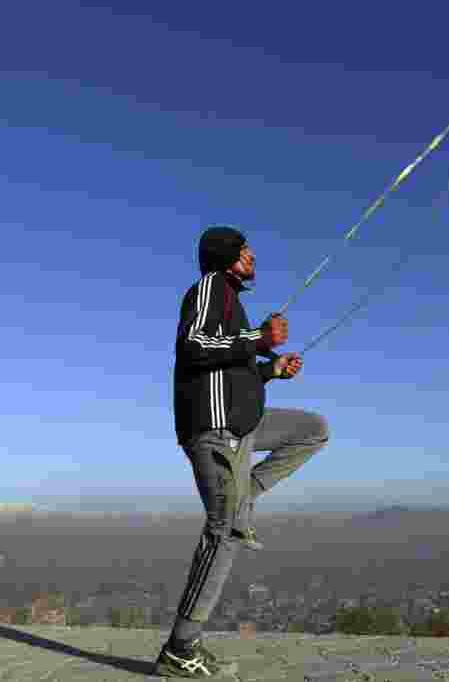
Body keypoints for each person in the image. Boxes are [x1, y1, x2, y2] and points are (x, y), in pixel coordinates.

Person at [153, 225, 330, 677]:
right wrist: (258, 339)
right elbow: (193, 346)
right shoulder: (211, 287)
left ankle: (243, 495)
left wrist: (270, 369)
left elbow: (229, 372)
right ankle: (180, 649)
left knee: (312, 429)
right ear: (225, 256)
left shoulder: (233, 301)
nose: (251, 255)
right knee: (225, 532)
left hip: (241, 423)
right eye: (243, 249)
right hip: (216, 428)